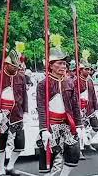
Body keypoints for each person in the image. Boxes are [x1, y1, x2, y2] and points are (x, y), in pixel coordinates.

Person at [36, 48, 81, 176]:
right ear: (50, 65)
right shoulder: (43, 84)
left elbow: (75, 106)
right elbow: (41, 108)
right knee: (48, 158)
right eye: (59, 63)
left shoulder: (69, 82)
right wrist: (44, 129)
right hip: (51, 125)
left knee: (73, 153)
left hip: (67, 124)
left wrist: (79, 125)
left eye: (64, 63)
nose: (63, 66)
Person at [0, 50, 28, 176]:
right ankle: (1, 169)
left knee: (20, 142)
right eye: (13, 65)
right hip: (2, 113)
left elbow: (24, 95)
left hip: (17, 113)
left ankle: (10, 166)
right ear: (6, 64)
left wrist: (26, 111)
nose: (15, 68)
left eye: (17, 66)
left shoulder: (21, 77)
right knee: (1, 141)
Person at [75, 60, 98, 160]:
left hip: (89, 108)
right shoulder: (76, 81)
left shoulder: (90, 81)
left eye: (89, 69)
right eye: (86, 69)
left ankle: (87, 142)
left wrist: (96, 107)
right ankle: (80, 150)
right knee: (80, 130)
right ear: (81, 70)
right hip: (80, 109)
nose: (89, 71)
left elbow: (93, 95)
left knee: (95, 126)